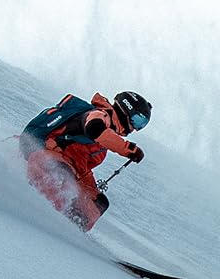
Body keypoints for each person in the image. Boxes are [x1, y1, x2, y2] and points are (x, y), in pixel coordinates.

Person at [19, 91, 151, 230]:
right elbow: (94, 129)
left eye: (141, 124)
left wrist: (92, 193)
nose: (136, 128)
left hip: (60, 164)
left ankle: (69, 234)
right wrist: (128, 149)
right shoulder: (100, 115)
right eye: (137, 120)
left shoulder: (101, 145)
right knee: (62, 176)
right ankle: (45, 224)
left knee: (98, 205)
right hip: (43, 155)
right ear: (127, 110)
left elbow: (80, 167)